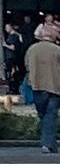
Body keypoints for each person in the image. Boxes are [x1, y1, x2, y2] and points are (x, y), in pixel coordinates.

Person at [29, 23, 60, 154]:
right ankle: (48, 144)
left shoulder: (32, 49)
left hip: (37, 86)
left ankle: (50, 143)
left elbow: (26, 65)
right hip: (54, 87)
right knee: (50, 115)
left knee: (43, 115)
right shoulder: (57, 50)